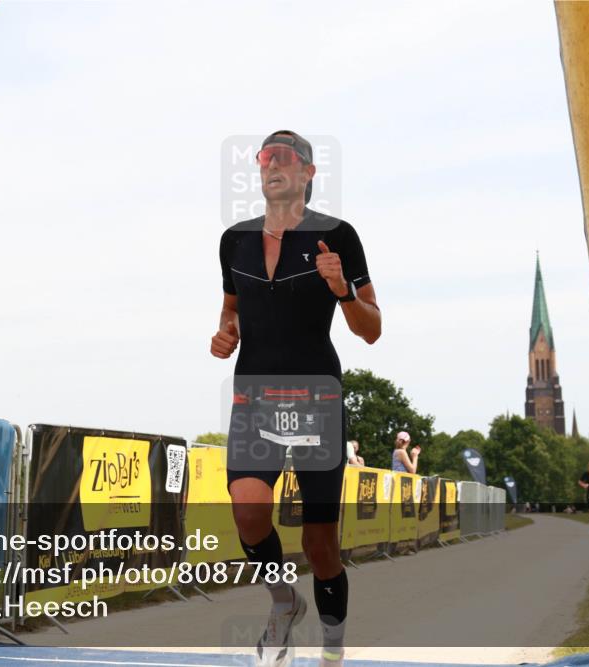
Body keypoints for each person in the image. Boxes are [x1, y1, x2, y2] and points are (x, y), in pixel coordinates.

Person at [210, 130, 381, 667]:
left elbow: (371, 329)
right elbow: (231, 308)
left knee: (320, 544)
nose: (272, 164)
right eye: (265, 157)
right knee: (248, 510)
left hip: (317, 399)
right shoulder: (234, 240)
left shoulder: (337, 236)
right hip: (254, 396)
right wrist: (226, 332)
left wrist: (342, 291)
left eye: (284, 157)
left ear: (308, 172)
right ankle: (284, 601)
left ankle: (332, 651)